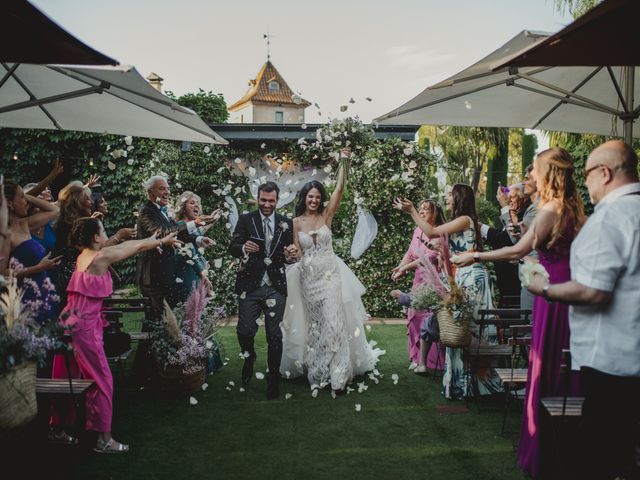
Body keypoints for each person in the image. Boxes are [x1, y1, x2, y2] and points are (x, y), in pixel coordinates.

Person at [453, 147, 585, 478]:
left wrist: (476, 257)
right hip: (564, 288)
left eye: (532, 172)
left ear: (547, 175)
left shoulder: (550, 210)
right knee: (561, 363)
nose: (527, 178)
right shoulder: (570, 208)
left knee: (547, 362)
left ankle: (545, 451)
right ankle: (566, 445)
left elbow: (518, 250)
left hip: (550, 293)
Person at [527, 140, 640, 480]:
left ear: (604, 173)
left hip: (614, 364)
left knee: (600, 460)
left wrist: (543, 288)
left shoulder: (610, 218)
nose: (585, 182)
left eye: (588, 174)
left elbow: (593, 291)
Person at [61, 216, 180, 453]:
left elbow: (123, 245)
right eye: (103, 231)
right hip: (84, 327)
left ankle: (60, 429)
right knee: (103, 380)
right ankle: (103, 440)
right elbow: (130, 249)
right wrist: (158, 241)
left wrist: (152, 239)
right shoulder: (101, 257)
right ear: (95, 237)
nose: (106, 234)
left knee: (72, 377)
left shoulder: (85, 254)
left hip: (72, 321)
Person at [281, 156, 384, 393]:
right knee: (316, 327)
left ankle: (339, 374)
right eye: (311, 196)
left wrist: (345, 162)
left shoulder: (327, 216)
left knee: (335, 323)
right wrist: (291, 252)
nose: (314, 200)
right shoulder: (296, 222)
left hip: (331, 276)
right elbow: (296, 252)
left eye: (318, 196)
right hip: (308, 279)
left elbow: (339, 189)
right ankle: (319, 370)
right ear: (305, 198)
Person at [394, 184, 501, 400]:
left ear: (460, 197)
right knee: (460, 328)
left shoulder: (465, 219)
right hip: (462, 275)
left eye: (450, 194)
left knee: (470, 327)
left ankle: (480, 382)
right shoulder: (459, 222)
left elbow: (432, 231)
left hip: (473, 277)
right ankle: (463, 383)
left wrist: (413, 210)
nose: (446, 196)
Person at [134, 176, 217, 384]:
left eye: (168, 188)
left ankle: (161, 368)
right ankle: (145, 372)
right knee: (154, 323)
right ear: (150, 192)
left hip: (164, 276)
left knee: (164, 322)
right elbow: (163, 232)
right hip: (151, 277)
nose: (167, 192)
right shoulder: (146, 211)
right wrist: (195, 223)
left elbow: (178, 234)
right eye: (162, 189)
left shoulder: (161, 211)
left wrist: (198, 238)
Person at [229, 181, 297, 399]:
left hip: (275, 286)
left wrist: (290, 255)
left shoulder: (286, 223)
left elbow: (288, 254)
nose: (267, 204)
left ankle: (273, 379)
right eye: (263, 200)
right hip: (250, 286)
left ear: (277, 201)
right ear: (257, 198)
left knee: (274, 336)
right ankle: (249, 358)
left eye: (271, 201)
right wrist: (242, 248)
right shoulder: (245, 219)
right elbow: (233, 246)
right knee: (244, 331)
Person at [390, 199, 446, 373]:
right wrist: (401, 267)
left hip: (434, 282)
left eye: (426, 210)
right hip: (418, 282)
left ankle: (431, 362)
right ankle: (416, 358)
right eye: (420, 209)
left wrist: (405, 268)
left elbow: (427, 258)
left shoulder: (439, 233)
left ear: (435, 213)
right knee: (414, 318)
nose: (421, 212)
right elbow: (410, 252)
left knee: (429, 321)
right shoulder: (417, 231)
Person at [5, 181, 61, 325]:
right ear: (10, 203)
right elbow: (2, 273)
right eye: (22, 198)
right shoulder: (5, 234)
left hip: (43, 294)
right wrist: (38, 268)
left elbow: (54, 210)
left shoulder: (24, 224)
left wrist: (27, 196)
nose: (27, 202)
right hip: (25, 299)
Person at [173, 191, 221, 303]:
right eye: (192, 203)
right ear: (183, 208)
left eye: (198, 203)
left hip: (196, 276)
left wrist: (213, 219)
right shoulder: (179, 226)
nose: (196, 205)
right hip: (186, 275)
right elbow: (190, 253)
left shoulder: (194, 228)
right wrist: (204, 276)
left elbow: (200, 231)